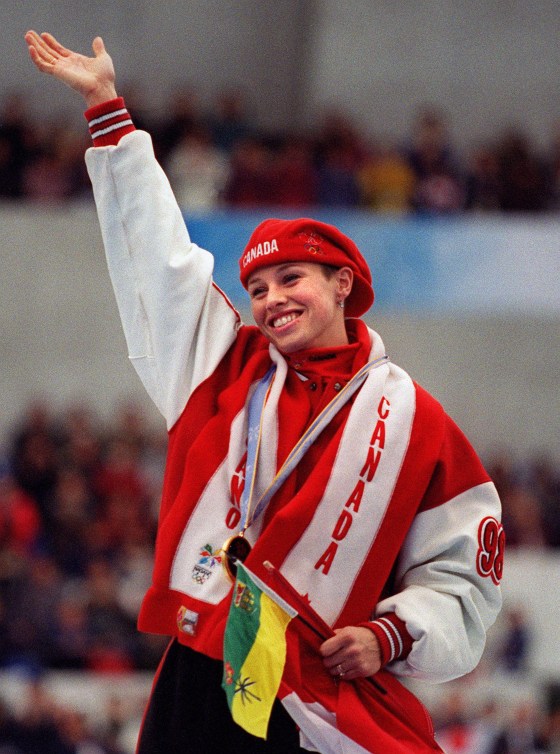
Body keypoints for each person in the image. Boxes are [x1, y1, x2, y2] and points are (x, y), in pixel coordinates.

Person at [25, 31, 504, 754]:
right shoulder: (221, 367)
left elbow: (463, 572)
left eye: (291, 280)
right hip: (203, 667)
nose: (270, 299)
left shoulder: (414, 419)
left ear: (344, 284)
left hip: (320, 693)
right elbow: (161, 264)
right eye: (255, 288)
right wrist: (107, 111)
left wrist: (391, 634)